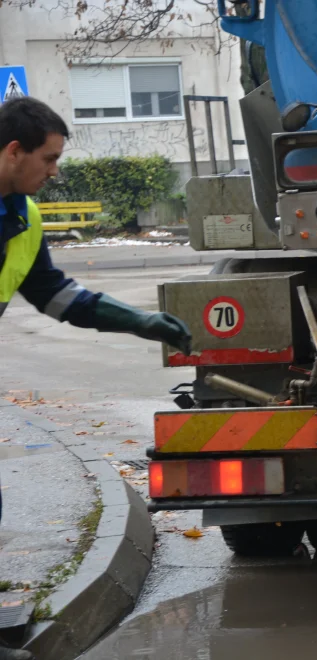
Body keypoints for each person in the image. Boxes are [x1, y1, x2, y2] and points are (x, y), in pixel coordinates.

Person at [0, 97, 191, 660]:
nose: (55, 171)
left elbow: (55, 295)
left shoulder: (23, 216)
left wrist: (138, 321)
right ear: (15, 152)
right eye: (50, 158)